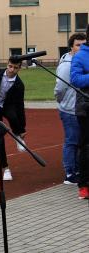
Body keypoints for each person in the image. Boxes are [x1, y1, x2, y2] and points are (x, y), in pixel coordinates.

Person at [0, 58, 25, 181]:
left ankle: (18, 136)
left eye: (15, 67)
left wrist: (22, 128)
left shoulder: (19, 85)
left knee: (13, 115)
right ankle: (5, 168)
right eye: (10, 66)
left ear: (19, 68)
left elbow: (20, 106)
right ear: (7, 65)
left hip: (7, 106)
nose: (12, 70)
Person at [55, 33, 87, 185]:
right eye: (78, 45)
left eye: (83, 44)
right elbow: (60, 88)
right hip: (69, 109)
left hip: (80, 108)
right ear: (71, 47)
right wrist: (63, 102)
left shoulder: (80, 61)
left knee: (80, 140)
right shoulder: (66, 65)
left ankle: (78, 169)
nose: (81, 48)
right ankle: (69, 172)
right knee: (72, 141)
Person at [71, 25, 89, 200]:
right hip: (86, 108)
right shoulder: (80, 56)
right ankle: (84, 185)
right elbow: (75, 79)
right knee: (86, 147)